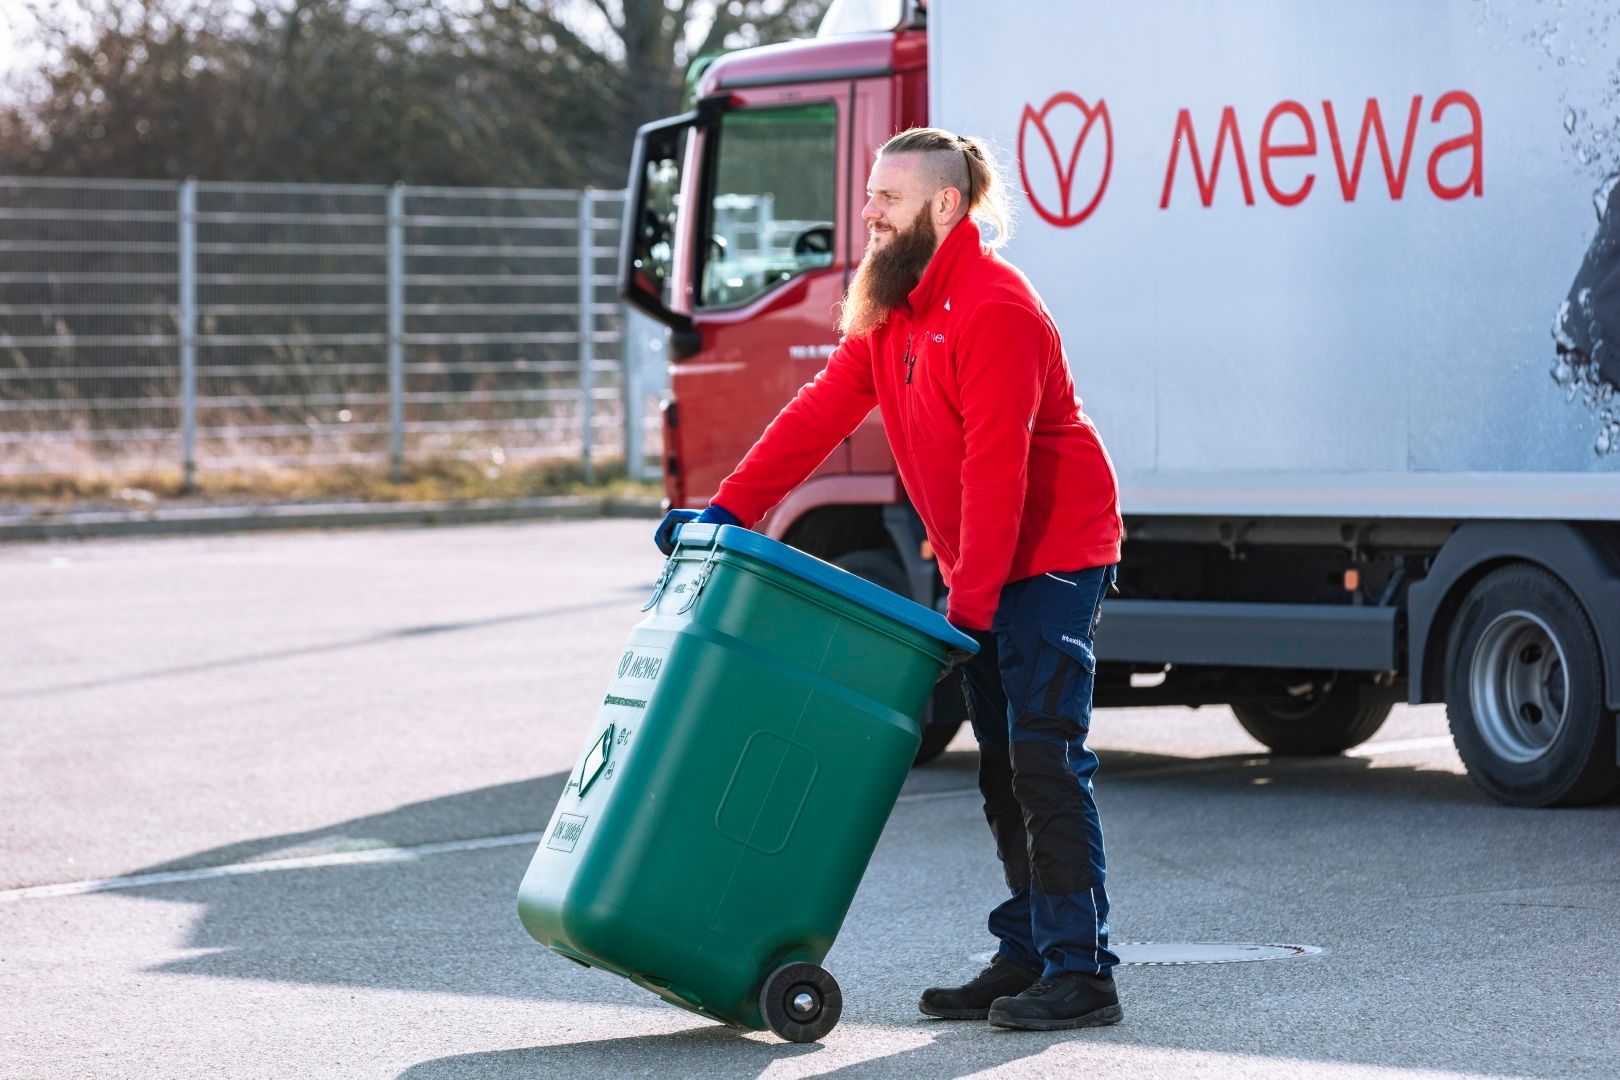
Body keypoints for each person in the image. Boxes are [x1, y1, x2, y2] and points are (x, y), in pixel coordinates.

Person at [654, 127, 1124, 1031]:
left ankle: (1082, 971)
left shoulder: (995, 308)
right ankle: (1027, 953)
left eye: (887, 199)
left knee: (1044, 758)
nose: (866, 213)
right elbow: (822, 408)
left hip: (1055, 554)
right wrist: (730, 509)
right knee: (1002, 768)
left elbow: (999, 470)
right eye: (869, 195)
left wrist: (971, 608)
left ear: (944, 208)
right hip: (985, 561)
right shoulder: (896, 305)